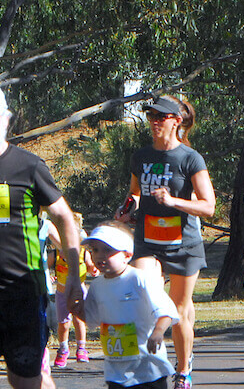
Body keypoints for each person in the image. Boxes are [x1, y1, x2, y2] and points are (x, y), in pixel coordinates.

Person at [115, 95, 215, 389]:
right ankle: (150, 362)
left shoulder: (190, 158)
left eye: (162, 117)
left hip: (184, 243)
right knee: (147, 293)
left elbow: (208, 206)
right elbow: (134, 193)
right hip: (148, 239)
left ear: (177, 121)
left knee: (180, 311)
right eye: (152, 116)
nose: (155, 122)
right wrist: (127, 208)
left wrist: (174, 201)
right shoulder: (141, 156)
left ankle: (183, 370)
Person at [0, 89, 83, 389]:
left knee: (25, 379)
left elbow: (63, 217)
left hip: (21, 292)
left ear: (6, 119)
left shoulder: (28, 166)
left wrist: (73, 274)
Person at [82, 221, 179, 389]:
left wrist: (157, 332)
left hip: (148, 367)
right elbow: (91, 319)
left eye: (108, 250)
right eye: (95, 250)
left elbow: (167, 311)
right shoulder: (96, 286)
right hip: (116, 370)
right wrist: (74, 307)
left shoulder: (138, 278)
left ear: (127, 255)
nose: (99, 256)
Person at [46, 213, 99, 367]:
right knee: (63, 323)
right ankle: (63, 349)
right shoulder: (55, 253)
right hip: (62, 293)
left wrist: (93, 270)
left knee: (79, 320)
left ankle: (81, 347)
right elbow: (45, 267)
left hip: (79, 290)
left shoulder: (83, 253)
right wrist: (48, 277)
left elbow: (91, 267)